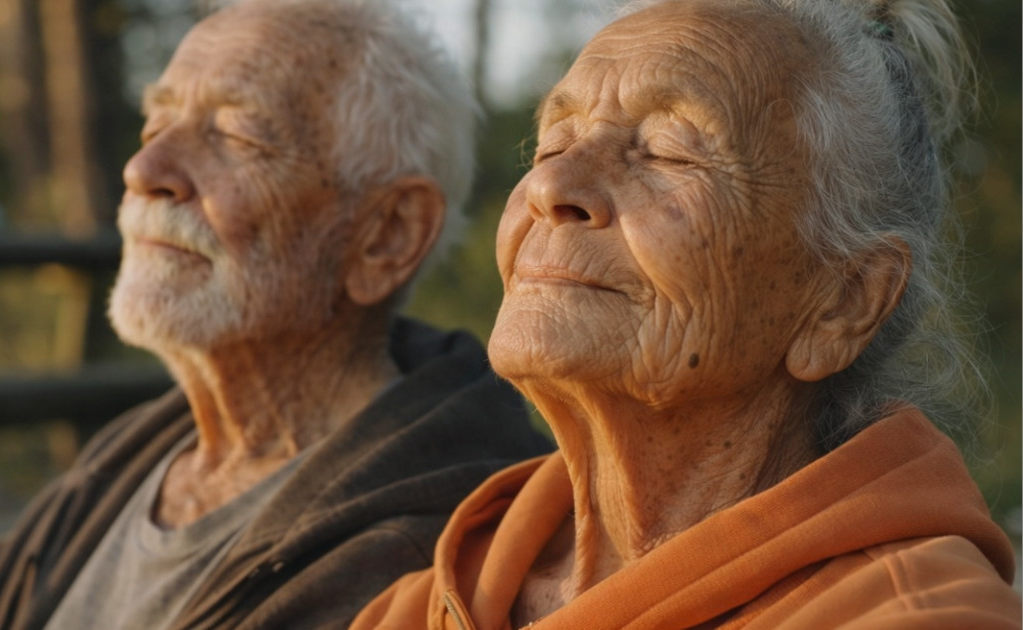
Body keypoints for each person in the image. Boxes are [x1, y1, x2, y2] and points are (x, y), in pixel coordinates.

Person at [0, 1, 551, 628]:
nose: (146, 168)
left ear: (387, 236)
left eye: (234, 136)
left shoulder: (433, 543)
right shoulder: (151, 450)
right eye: (156, 123)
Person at [351, 0, 1022, 627]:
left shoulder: (912, 613)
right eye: (552, 144)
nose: (552, 187)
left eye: (669, 149)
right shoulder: (418, 604)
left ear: (843, 303)